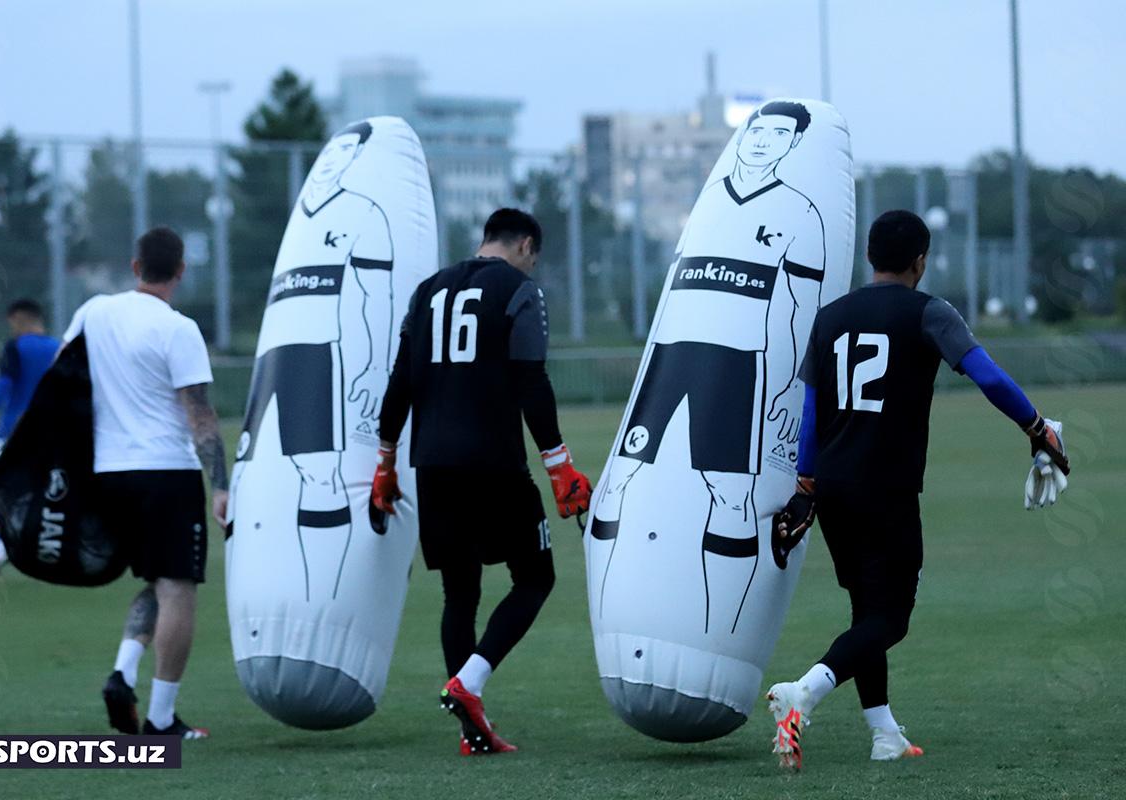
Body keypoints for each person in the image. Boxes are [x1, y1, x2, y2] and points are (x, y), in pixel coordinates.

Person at [765, 210, 1071, 769]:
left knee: (867, 611)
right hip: (887, 487)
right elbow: (988, 376)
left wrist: (806, 485)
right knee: (892, 618)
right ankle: (804, 693)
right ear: (921, 261)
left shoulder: (829, 318)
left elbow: (811, 411)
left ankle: (885, 734)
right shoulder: (930, 311)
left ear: (869, 256)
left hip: (833, 486)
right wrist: (1035, 426)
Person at [587, 101, 824, 632]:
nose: (762, 140)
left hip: (737, 364)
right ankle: (612, 615)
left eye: (778, 133)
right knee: (622, 479)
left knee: (731, 492)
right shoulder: (709, 202)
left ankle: (721, 629)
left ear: (791, 144)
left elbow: (799, 310)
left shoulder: (799, 210)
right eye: (757, 130)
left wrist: (786, 384)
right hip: (672, 356)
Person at [371, 208, 592, 755]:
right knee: (535, 578)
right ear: (526, 245)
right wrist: (560, 465)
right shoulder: (520, 290)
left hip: (432, 465)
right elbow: (531, 379)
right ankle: (468, 685)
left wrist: (385, 462)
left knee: (459, 592)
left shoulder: (427, 291)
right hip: (494, 463)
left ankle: (472, 731)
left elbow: (401, 381)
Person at [62, 227, 229, 740]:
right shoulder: (178, 328)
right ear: (181, 271)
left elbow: (61, 380)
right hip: (165, 472)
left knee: (156, 581)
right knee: (178, 587)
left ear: (135, 267)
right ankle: (160, 719)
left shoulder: (93, 312)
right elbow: (199, 414)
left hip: (107, 473)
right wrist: (221, 485)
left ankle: (123, 671)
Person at [232, 120, 394, 601]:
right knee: (250, 476)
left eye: (347, 152)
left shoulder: (363, 212)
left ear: (353, 160)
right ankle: (267, 594)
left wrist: (373, 366)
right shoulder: (298, 221)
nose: (334, 160)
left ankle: (321, 599)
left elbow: (378, 295)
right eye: (333, 151)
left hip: (315, 356)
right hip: (272, 359)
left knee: (320, 473)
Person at [0, 299, 60, 577]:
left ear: (18, 317)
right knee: (43, 493)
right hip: (51, 434)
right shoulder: (59, 348)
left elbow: (4, 384)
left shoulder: (15, 347)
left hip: (12, 433)